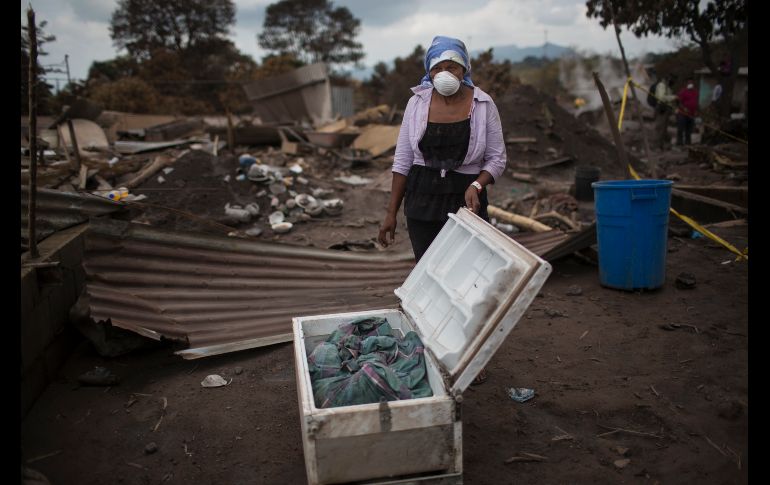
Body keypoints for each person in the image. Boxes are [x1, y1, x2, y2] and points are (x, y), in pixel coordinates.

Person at [377, 35, 506, 263]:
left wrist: (477, 185)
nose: (445, 74)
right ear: (429, 72)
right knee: (428, 267)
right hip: (422, 199)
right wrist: (391, 214)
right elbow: (403, 160)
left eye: (452, 67)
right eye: (438, 68)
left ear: (464, 69)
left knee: (467, 267)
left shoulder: (483, 103)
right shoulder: (416, 103)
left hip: (466, 200)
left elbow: (497, 158)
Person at [654, 74, 678, 150]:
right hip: (662, 108)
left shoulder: (667, 87)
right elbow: (662, 98)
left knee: (664, 128)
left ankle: (661, 145)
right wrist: (673, 97)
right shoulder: (662, 85)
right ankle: (658, 146)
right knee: (661, 128)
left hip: (666, 108)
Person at [676, 77, 698, 146]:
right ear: (686, 84)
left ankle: (688, 142)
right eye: (689, 83)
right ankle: (679, 142)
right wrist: (683, 108)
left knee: (689, 129)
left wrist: (697, 111)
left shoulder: (695, 92)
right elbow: (679, 102)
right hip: (682, 113)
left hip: (691, 114)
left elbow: (696, 102)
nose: (690, 84)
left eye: (691, 83)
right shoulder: (683, 92)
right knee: (681, 128)